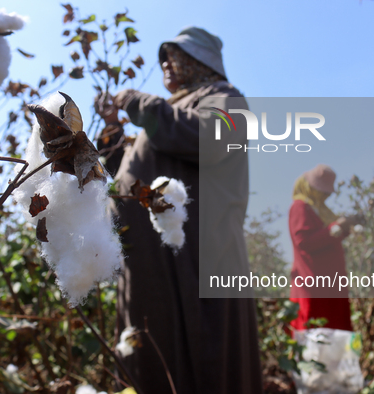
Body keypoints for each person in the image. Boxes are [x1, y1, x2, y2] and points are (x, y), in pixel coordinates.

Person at [99, 27, 263, 394]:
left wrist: (141, 104)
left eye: (173, 55)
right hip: (148, 260)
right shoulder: (170, 112)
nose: (164, 64)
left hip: (193, 257)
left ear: (199, 60)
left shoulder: (225, 97)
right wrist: (112, 130)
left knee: (200, 349)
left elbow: (210, 139)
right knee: (148, 344)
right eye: (163, 57)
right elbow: (129, 173)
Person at [289, 164, 360, 332]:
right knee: (315, 331)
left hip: (329, 286)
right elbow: (304, 242)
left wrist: (346, 227)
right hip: (313, 285)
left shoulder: (320, 211)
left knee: (334, 332)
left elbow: (326, 238)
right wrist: (336, 227)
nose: (324, 196)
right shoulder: (300, 207)